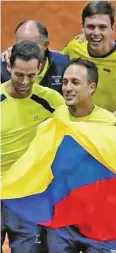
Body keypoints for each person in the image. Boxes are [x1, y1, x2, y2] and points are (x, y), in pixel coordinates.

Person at [48, 58, 116, 253]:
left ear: (92, 87)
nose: (67, 88)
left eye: (75, 82)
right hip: (63, 221)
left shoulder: (110, 123)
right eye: (65, 82)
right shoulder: (56, 117)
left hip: (102, 221)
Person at [1, 41, 64, 253]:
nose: (25, 82)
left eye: (31, 75)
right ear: (9, 67)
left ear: (39, 69)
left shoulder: (50, 100)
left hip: (26, 195)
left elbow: (80, 123)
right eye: (19, 74)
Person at [61, 1, 116, 113]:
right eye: (91, 27)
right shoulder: (74, 47)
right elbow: (54, 62)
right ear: (83, 28)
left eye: (102, 27)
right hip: (78, 124)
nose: (96, 33)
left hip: (111, 127)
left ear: (112, 28)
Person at [1, 20, 69, 94]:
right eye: (21, 44)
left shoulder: (64, 66)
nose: (27, 50)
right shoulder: (2, 67)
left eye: (32, 46)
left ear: (45, 45)